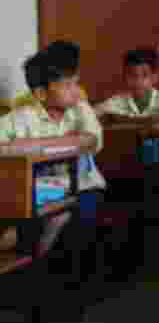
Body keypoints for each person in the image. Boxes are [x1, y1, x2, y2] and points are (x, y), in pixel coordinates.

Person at [0, 44, 106, 257]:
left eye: (76, 83)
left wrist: (29, 146)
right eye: (67, 85)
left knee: (79, 214)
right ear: (40, 93)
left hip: (83, 186)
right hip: (38, 191)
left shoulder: (81, 110)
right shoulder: (22, 117)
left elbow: (90, 141)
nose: (76, 91)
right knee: (25, 210)